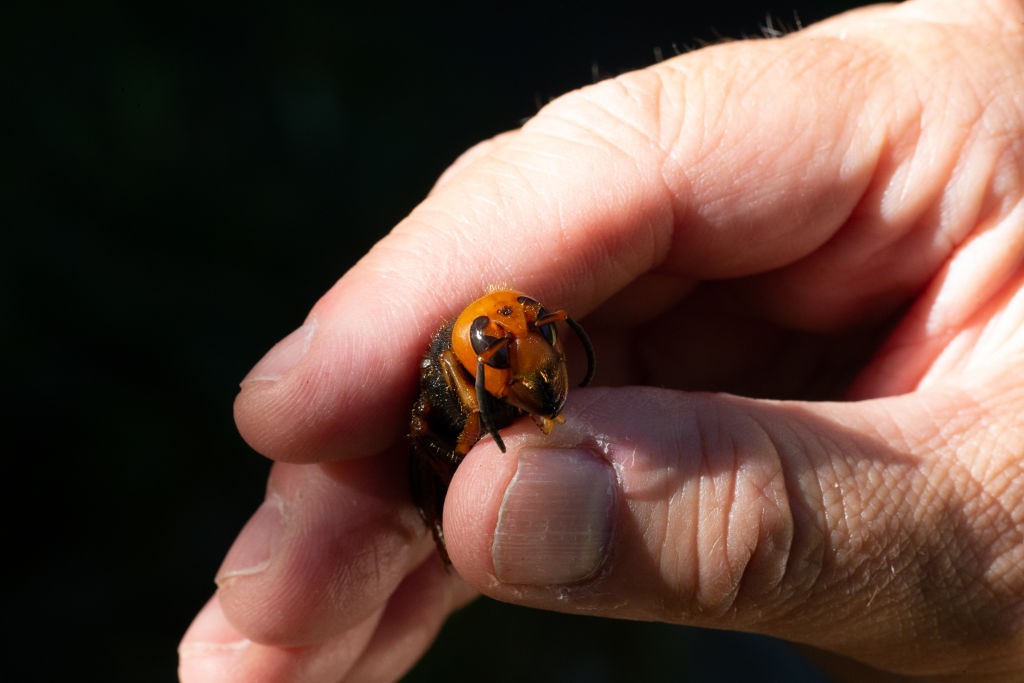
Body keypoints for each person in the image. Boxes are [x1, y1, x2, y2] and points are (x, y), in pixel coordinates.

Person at [179, 0, 1024, 679]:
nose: (524, 341)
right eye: (511, 343)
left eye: (530, 333)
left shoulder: (515, 336)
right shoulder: (468, 372)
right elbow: (451, 415)